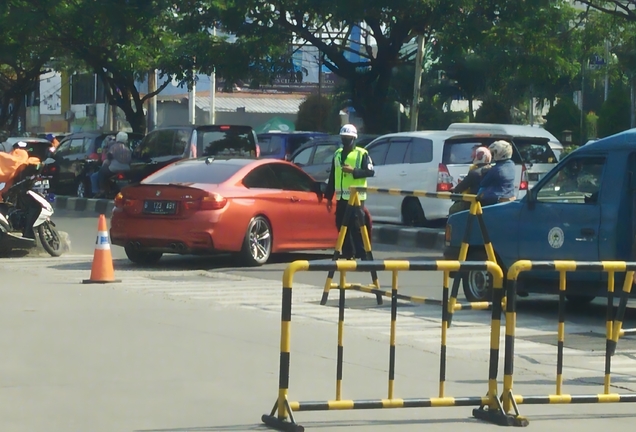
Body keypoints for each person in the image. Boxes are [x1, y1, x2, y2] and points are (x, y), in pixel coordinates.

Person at [324, 124, 374, 259]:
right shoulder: (337, 154)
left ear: (354, 139)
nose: (346, 141)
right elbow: (333, 176)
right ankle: (348, 253)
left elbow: (370, 171)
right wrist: (328, 196)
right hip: (341, 197)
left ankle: (363, 254)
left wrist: (353, 171)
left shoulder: (362, 154)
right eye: (344, 138)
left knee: (357, 226)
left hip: (356, 197)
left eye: (349, 138)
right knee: (341, 225)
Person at [449, 146, 492, 215]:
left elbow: (461, 187)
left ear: (478, 157)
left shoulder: (474, 172)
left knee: (453, 209)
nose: (472, 157)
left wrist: (454, 189)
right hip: (490, 201)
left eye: (474, 156)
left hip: (475, 201)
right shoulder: (492, 170)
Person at [477, 140, 516, 206]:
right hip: (510, 195)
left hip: (498, 199)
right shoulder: (512, 164)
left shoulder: (496, 169)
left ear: (500, 153)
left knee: (480, 191)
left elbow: (483, 183)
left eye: (494, 153)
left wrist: (484, 171)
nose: (493, 155)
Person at [95, 131, 131, 197]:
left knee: (101, 173)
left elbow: (109, 156)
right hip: (127, 168)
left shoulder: (114, 147)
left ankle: (102, 190)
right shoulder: (127, 148)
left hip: (114, 168)